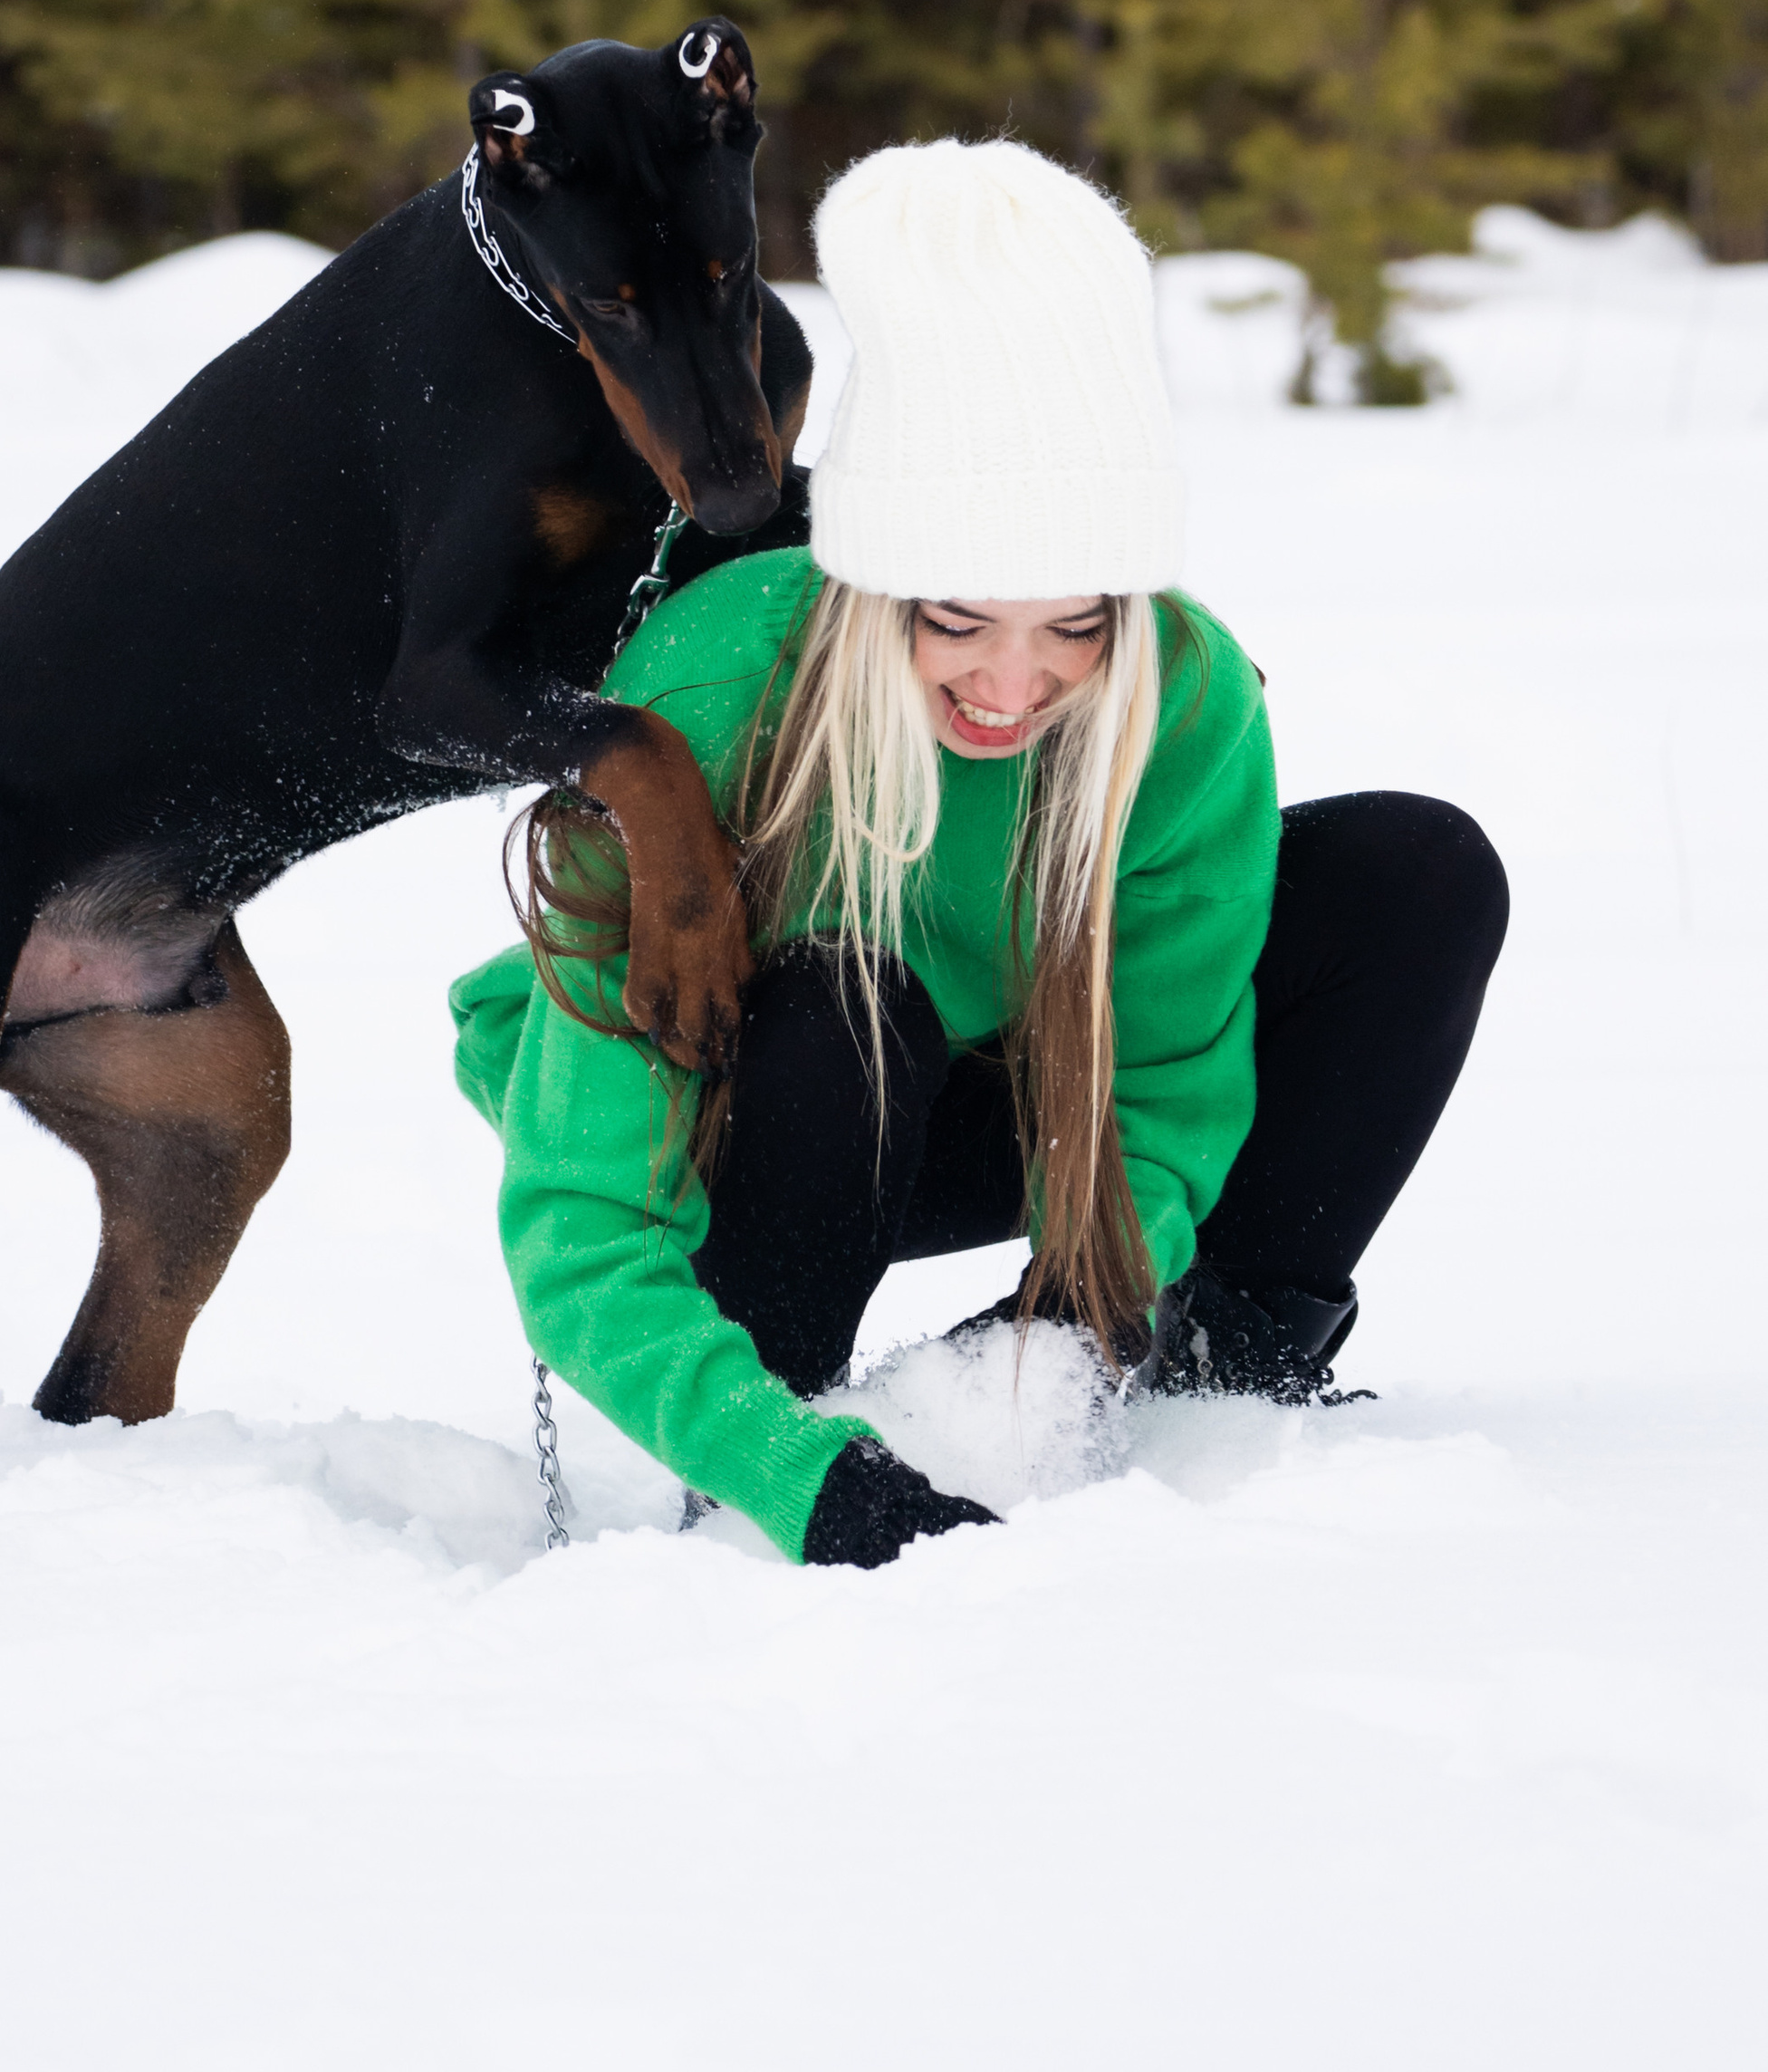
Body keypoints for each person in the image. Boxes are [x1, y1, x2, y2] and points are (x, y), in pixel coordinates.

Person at [450, 139, 1508, 1568]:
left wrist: (1067, 1335)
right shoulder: (711, 687)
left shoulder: (1177, 690)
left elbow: (1172, 1083)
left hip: (1000, 1072)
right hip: (753, 1109)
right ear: (882, 585)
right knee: (850, 1002)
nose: (1015, 687)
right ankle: (774, 1445)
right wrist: (815, 1486)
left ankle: (1208, 1370)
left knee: (1416, 873)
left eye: (1074, 625)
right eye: (958, 621)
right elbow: (582, 1234)